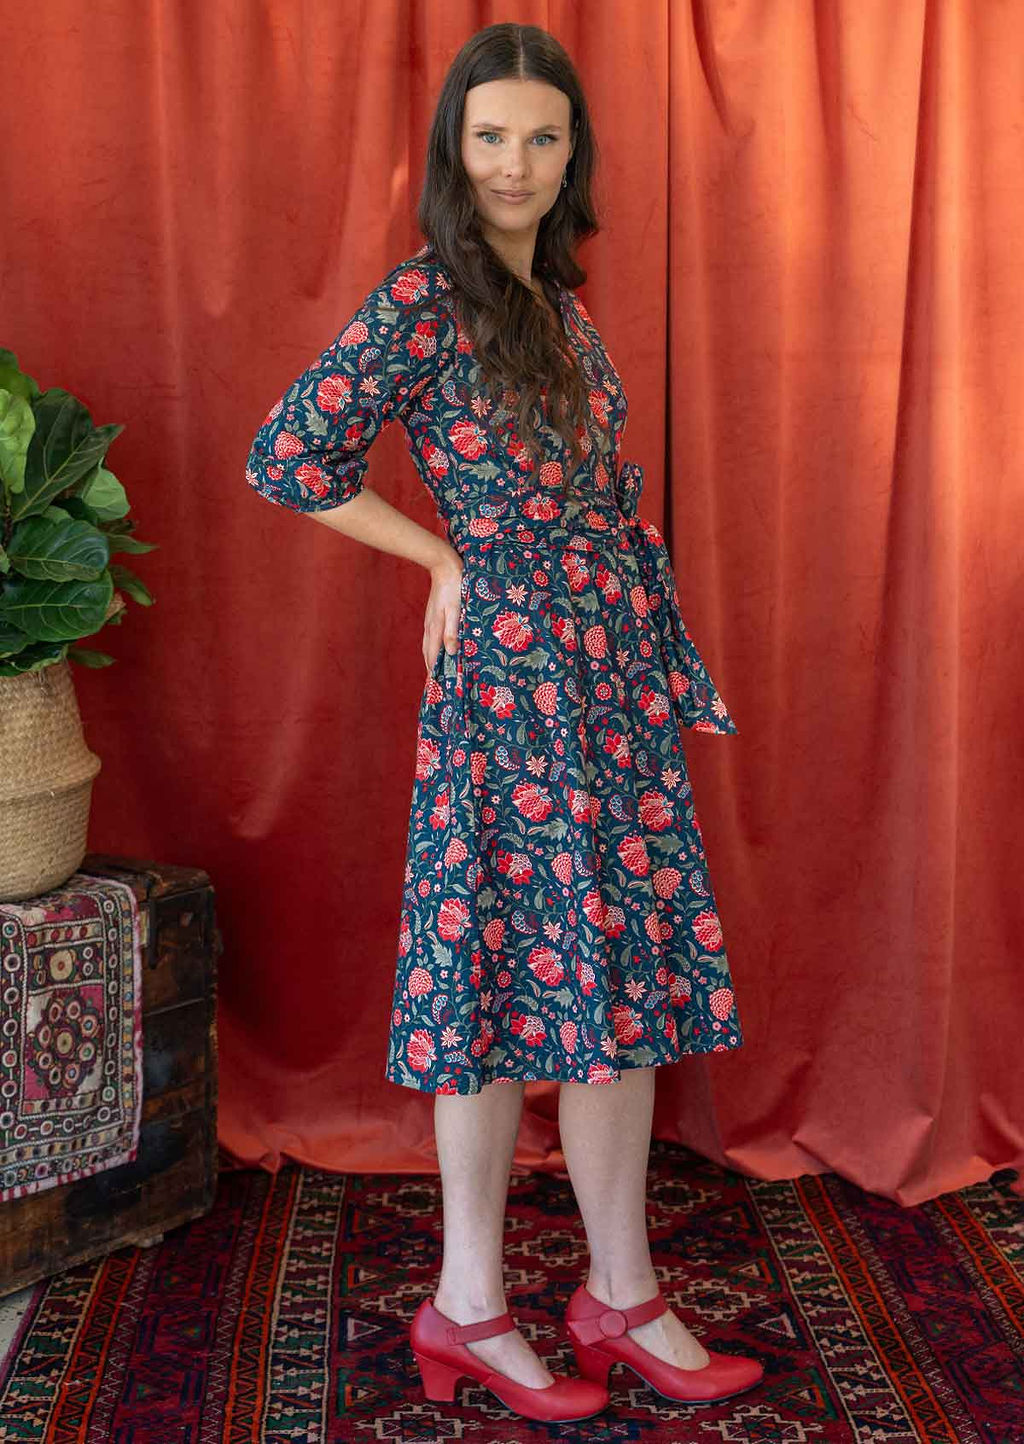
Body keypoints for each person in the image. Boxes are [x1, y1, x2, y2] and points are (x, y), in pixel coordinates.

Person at [245, 20, 762, 1427]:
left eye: (542, 136)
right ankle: (469, 1305)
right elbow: (285, 453)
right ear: (453, 154)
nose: (518, 162)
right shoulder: (425, 304)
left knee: (620, 996)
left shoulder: (563, 305)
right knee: (489, 989)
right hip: (511, 690)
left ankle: (620, 1293)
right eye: (492, 137)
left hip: (610, 682)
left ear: (570, 153)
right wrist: (443, 562)